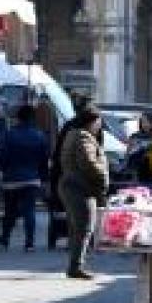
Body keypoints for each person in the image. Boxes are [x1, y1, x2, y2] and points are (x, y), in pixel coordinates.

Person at [55, 104, 108, 280]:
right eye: (99, 121)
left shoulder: (72, 134)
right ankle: (76, 266)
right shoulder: (84, 137)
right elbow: (89, 163)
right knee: (84, 227)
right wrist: (103, 176)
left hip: (71, 184)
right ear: (92, 121)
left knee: (77, 227)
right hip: (80, 187)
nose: (100, 125)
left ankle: (76, 264)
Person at [0, 105, 50, 251]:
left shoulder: (9, 134)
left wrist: (4, 170)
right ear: (32, 118)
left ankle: (5, 238)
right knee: (29, 210)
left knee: (10, 211)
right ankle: (29, 243)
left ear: (18, 118)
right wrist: (43, 178)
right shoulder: (39, 136)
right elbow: (44, 159)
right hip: (32, 179)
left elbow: (2, 157)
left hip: (11, 179)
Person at [125, 112, 152, 185]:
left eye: (147, 122)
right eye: (142, 122)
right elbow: (128, 153)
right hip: (138, 168)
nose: (145, 124)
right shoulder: (135, 136)